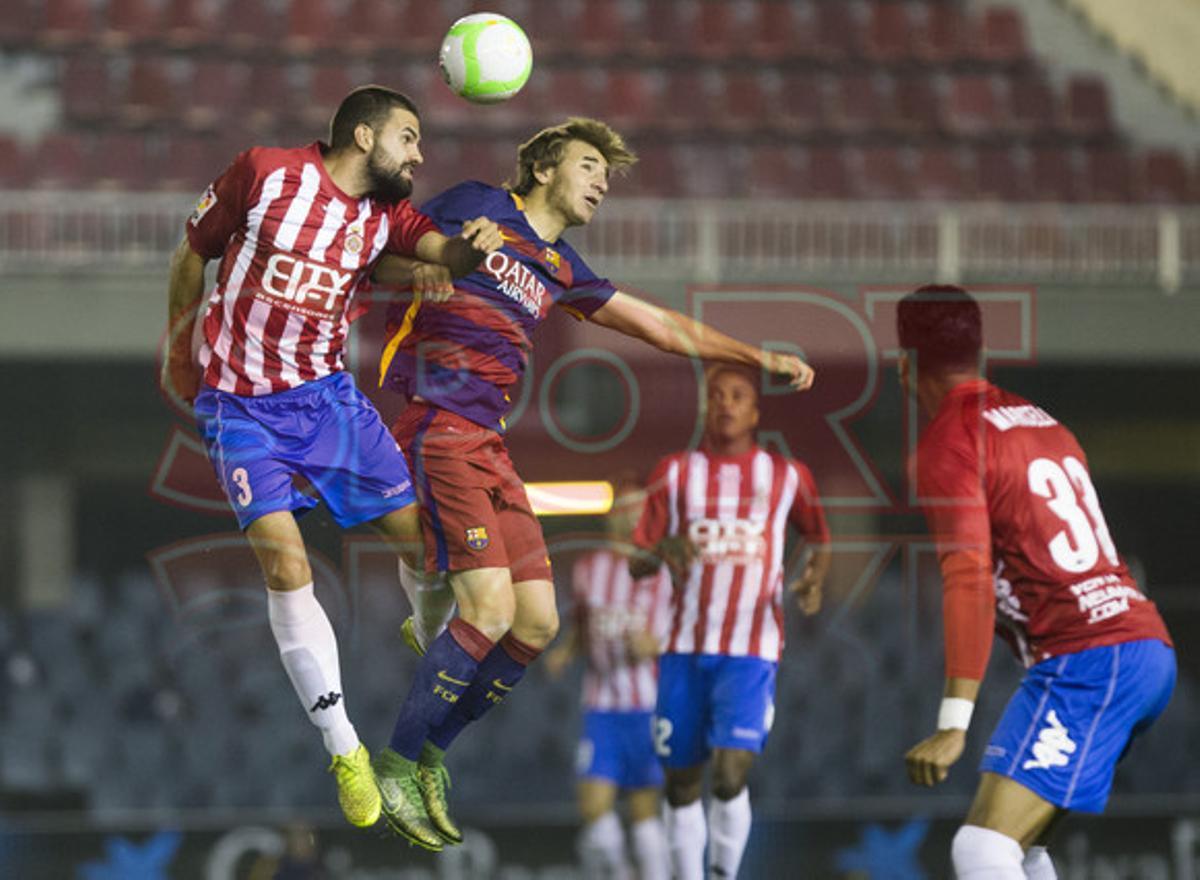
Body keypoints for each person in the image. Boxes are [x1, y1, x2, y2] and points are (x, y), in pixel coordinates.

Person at [366, 117, 817, 851]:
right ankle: (393, 763)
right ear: (543, 167)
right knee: (487, 608)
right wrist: (430, 264)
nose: (602, 181)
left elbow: (663, 327)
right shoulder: (476, 203)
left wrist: (751, 356)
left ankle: (430, 757)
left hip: (489, 443)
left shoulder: (561, 266)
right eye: (588, 165)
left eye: (607, 173)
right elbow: (378, 254)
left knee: (537, 622)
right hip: (436, 421)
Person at [158, 85, 503, 831]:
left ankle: (424, 622)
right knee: (286, 566)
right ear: (362, 134)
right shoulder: (264, 173)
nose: (418, 154)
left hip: (330, 404)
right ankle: (344, 747)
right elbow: (194, 251)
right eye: (408, 137)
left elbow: (438, 251)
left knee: (429, 552)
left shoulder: (385, 217)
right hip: (241, 407)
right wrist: (180, 343)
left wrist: (467, 251)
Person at [897, 286, 1175, 878]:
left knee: (980, 850)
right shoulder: (1046, 423)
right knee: (1020, 849)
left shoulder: (951, 439)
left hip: (1090, 660)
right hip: (1135, 645)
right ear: (981, 353)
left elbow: (967, 577)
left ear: (904, 367)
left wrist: (952, 724)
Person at [629, 364, 832, 880]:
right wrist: (662, 550)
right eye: (716, 395)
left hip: (751, 649)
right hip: (682, 649)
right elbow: (636, 560)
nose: (725, 403)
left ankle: (721, 873)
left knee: (729, 773)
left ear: (754, 410)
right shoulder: (673, 473)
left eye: (737, 395)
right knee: (680, 783)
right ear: (704, 405)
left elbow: (819, 535)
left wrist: (814, 579)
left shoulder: (786, 476)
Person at [544, 475, 673, 880]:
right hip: (601, 706)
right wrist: (567, 650)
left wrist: (652, 645)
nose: (628, 517)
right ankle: (620, 873)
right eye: (622, 508)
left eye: (637, 509)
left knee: (644, 815)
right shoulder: (588, 569)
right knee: (594, 808)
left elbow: (675, 635)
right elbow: (584, 624)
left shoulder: (661, 571)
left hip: (647, 707)